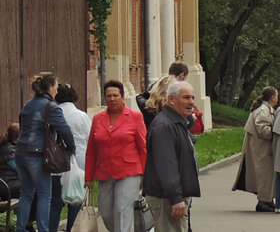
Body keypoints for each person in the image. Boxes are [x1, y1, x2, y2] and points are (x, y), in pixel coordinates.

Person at [15, 71, 75, 232]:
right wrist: (71, 148)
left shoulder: (27, 104)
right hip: (38, 155)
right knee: (44, 195)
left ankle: (20, 229)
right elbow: (65, 130)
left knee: (26, 195)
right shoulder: (51, 107)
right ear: (50, 88)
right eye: (56, 86)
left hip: (20, 153)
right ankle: (43, 229)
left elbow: (22, 122)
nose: (57, 89)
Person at [85, 79, 146, 232]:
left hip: (129, 171)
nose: (112, 99)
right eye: (108, 96)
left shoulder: (135, 117)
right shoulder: (98, 119)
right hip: (104, 171)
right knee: (105, 213)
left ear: (122, 97)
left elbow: (143, 148)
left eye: (115, 95)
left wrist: (146, 175)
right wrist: (88, 176)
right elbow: (91, 149)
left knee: (121, 210)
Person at [143, 81, 200, 231]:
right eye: (186, 97)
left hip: (172, 196)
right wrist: (175, 197)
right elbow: (166, 165)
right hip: (166, 198)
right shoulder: (164, 126)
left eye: (192, 98)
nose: (191, 102)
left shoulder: (176, 122)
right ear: (171, 100)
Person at [48, 83, 90, 232]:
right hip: (79, 161)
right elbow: (89, 137)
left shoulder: (52, 113)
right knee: (76, 199)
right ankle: (73, 228)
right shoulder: (81, 115)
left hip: (55, 162)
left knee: (55, 201)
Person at [232, 86, 277, 213]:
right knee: (264, 174)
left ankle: (268, 200)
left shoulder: (265, 109)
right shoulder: (263, 110)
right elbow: (262, 129)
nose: (277, 98)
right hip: (261, 149)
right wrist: (276, 132)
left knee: (266, 174)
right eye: (277, 95)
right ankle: (263, 202)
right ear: (272, 97)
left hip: (261, 148)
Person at [140, 63, 203, 134]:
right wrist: (191, 119)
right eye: (186, 97)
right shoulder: (173, 110)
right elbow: (183, 129)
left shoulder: (149, 107)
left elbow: (140, 97)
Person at [0, 122, 19, 202]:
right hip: (8, 185)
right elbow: (18, 168)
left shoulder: (9, 146)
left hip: (9, 183)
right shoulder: (9, 150)